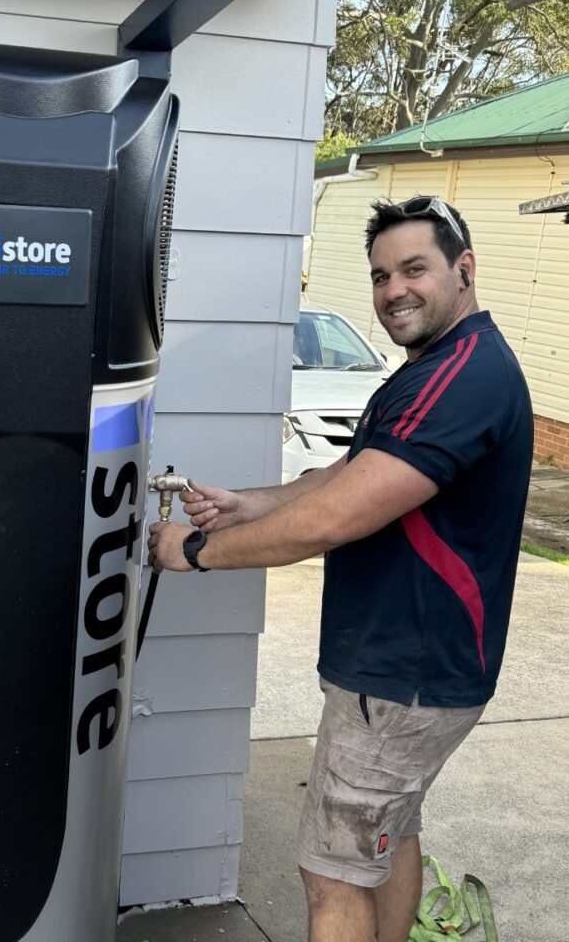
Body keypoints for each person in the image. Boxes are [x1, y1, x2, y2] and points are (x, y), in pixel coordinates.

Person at [148, 196, 533, 942]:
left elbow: (333, 520)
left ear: (465, 268)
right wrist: (246, 505)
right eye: (381, 275)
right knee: (388, 839)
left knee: (334, 876)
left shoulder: (465, 377)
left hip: (403, 675)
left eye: (414, 268)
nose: (394, 290)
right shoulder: (436, 367)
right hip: (413, 671)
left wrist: (192, 552)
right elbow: (355, 475)